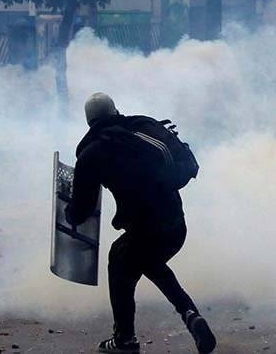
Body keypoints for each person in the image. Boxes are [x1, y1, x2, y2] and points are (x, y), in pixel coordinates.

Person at [65, 93, 216, 354]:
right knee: (143, 261)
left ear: (89, 122)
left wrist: (68, 213)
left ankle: (125, 339)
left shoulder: (92, 154)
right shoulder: (143, 126)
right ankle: (190, 315)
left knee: (123, 260)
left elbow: (81, 211)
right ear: (115, 111)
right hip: (175, 227)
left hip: (144, 231)